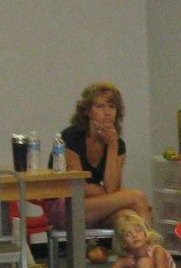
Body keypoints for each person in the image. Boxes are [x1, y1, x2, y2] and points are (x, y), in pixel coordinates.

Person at [60, 82, 154, 229]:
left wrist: (112, 146)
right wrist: (107, 193)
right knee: (137, 197)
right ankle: (153, 243)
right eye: (100, 106)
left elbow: (112, 187)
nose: (107, 112)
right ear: (88, 111)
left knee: (129, 217)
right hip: (68, 206)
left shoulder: (118, 144)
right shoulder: (71, 137)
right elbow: (79, 188)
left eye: (112, 107)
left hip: (98, 207)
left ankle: (145, 243)